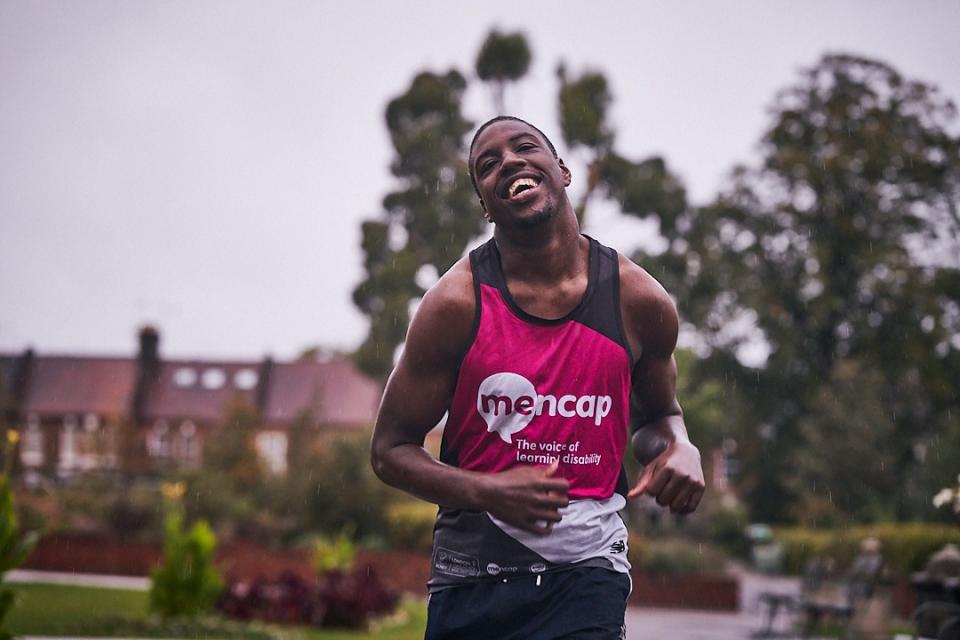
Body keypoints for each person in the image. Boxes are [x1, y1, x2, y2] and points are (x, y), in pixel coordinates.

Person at [370, 115, 705, 639]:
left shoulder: (639, 301)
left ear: (563, 171)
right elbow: (389, 451)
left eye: (525, 147)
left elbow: (658, 418)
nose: (509, 162)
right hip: (472, 580)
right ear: (485, 204)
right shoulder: (454, 305)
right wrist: (486, 491)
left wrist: (680, 447)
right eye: (488, 164)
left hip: (588, 574)